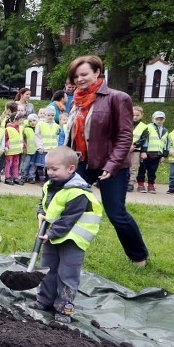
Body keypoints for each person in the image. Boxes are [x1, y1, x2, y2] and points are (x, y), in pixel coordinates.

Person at [64, 55, 148, 266]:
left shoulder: (117, 98)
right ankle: (66, 254)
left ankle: (139, 256)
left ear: (97, 73)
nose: (80, 79)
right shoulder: (76, 100)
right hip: (82, 163)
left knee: (116, 214)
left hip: (112, 165)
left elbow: (124, 136)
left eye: (84, 74)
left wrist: (112, 165)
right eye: (76, 76)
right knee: (69, 207)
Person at [29, 147, 103, 324]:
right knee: (47, 269)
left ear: (71, 169)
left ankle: (64, 308)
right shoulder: (49, 185)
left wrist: (51, 233)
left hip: (73, 239)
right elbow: (45, 204)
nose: (50, 172)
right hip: (53, 236)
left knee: (67, 274)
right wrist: (40, 213)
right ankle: (44, 300)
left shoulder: (78, 192)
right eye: (48, 168)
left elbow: (69, 219)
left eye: (55, 169)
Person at [136, 111, 169, 194]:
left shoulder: (165, 130)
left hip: (157, 154)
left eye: (161, 119)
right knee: (142, 170)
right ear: (153, 119)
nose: (159, 121)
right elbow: (145, 140)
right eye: (157, 119)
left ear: (164, 120)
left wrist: (164, 155)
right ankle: (140, 185)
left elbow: (166, 143)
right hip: (147, 153)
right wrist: (143, 151)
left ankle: (151, 185)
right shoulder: (148, 127)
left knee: (152, 171)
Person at [127, 106, 146, 192]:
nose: (135, 117)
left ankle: (130, 183)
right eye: (133, 114)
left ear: (141, 115)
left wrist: (134, 145)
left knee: (133, 167)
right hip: (124, 149)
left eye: (137, 115)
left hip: (135, 150)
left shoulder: (144, 127)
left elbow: (143, 138)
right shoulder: (125, 123)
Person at [3, 113, 23, 184]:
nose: (22, 122)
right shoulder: (8, 129)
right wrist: (5, 146)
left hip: (17, 150)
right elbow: (5, 139)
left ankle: (15, 177)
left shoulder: (20, 127)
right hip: (10, 150)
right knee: (9, 163)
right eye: (20, 120)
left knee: (16, 164)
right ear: (15, 120)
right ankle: (7, 177)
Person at [20, 113, 39, 183]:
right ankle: (24, 176)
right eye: (30, 121)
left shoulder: (39, 129)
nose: (32, 122)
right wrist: (24, 148)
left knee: (33, 165)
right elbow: (24, 139)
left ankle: (31, 177)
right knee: (26, 164)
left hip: (36, 150)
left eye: (34, 120)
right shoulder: (26, 129)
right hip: (28, 151)